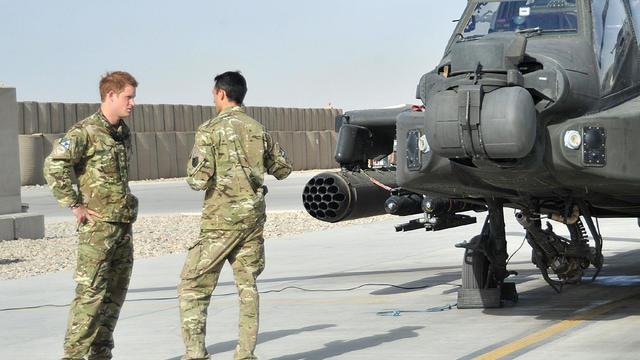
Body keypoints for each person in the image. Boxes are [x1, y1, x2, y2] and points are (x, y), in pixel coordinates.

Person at [178, 71, 292, 360]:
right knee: (247, 287)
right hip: (252, 220)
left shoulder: (209, 130)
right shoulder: (258, 129)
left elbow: (197, 180)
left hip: (221, 222)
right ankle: (245, 354)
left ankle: (195, 354)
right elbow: (283, 168)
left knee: (193, 286)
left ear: (220, 94)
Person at [43, 71, 139, 360]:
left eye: (133, 97)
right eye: (128, 97)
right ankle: (72, 356)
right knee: (91, 297)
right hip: (98, 232)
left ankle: (101, 354)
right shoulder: (85, 132)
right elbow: (53, 166)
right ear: (111, 96)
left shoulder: (122, 132)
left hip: (122, 228)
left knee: (114, 298)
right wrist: (74, 205)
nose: (133, 103)